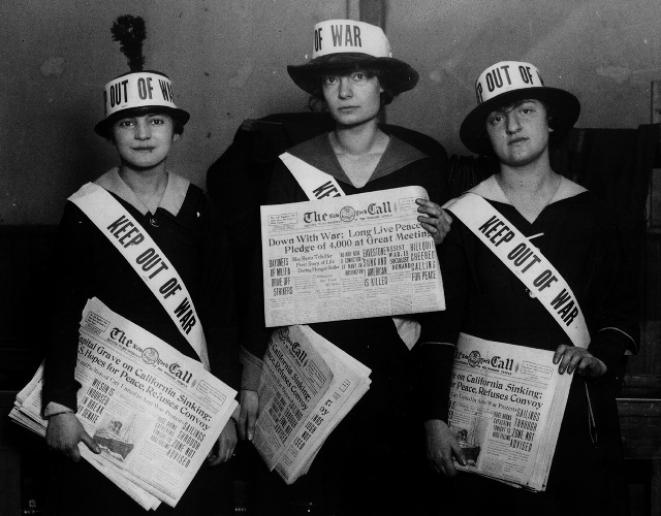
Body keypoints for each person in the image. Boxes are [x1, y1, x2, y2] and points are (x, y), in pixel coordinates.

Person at [237, 19, 452, 516]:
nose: (346, 90)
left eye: (359, 75)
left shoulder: (422, 163)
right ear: (319, 90)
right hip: (313, 363)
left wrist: (444, 240)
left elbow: (445, 282)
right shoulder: (292, 165)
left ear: (383, 85)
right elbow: (261, 277)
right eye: (332, 79)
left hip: (396, 365)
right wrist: (251, 378)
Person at [421, 61, 639, 516]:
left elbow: (621, 311)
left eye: (526, 109)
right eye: (498, 118)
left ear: (549, 120)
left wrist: (600, 355)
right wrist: (435, 419)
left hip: (574, 415)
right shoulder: (461, 217)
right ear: (487, 134)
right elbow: (441, 327)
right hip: (484, 419)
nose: (514, 125)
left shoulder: (596, 213)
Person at [42, 15, 238, 515]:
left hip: (186, 402)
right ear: (111, 135)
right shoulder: (85, 209)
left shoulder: (199, 206)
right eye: (128, 123)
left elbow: (221, 310)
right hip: (109, 400)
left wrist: (226, 410)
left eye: (156, 120)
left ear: (176, 130)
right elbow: (61, 313)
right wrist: (60, 404)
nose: (143, 134)